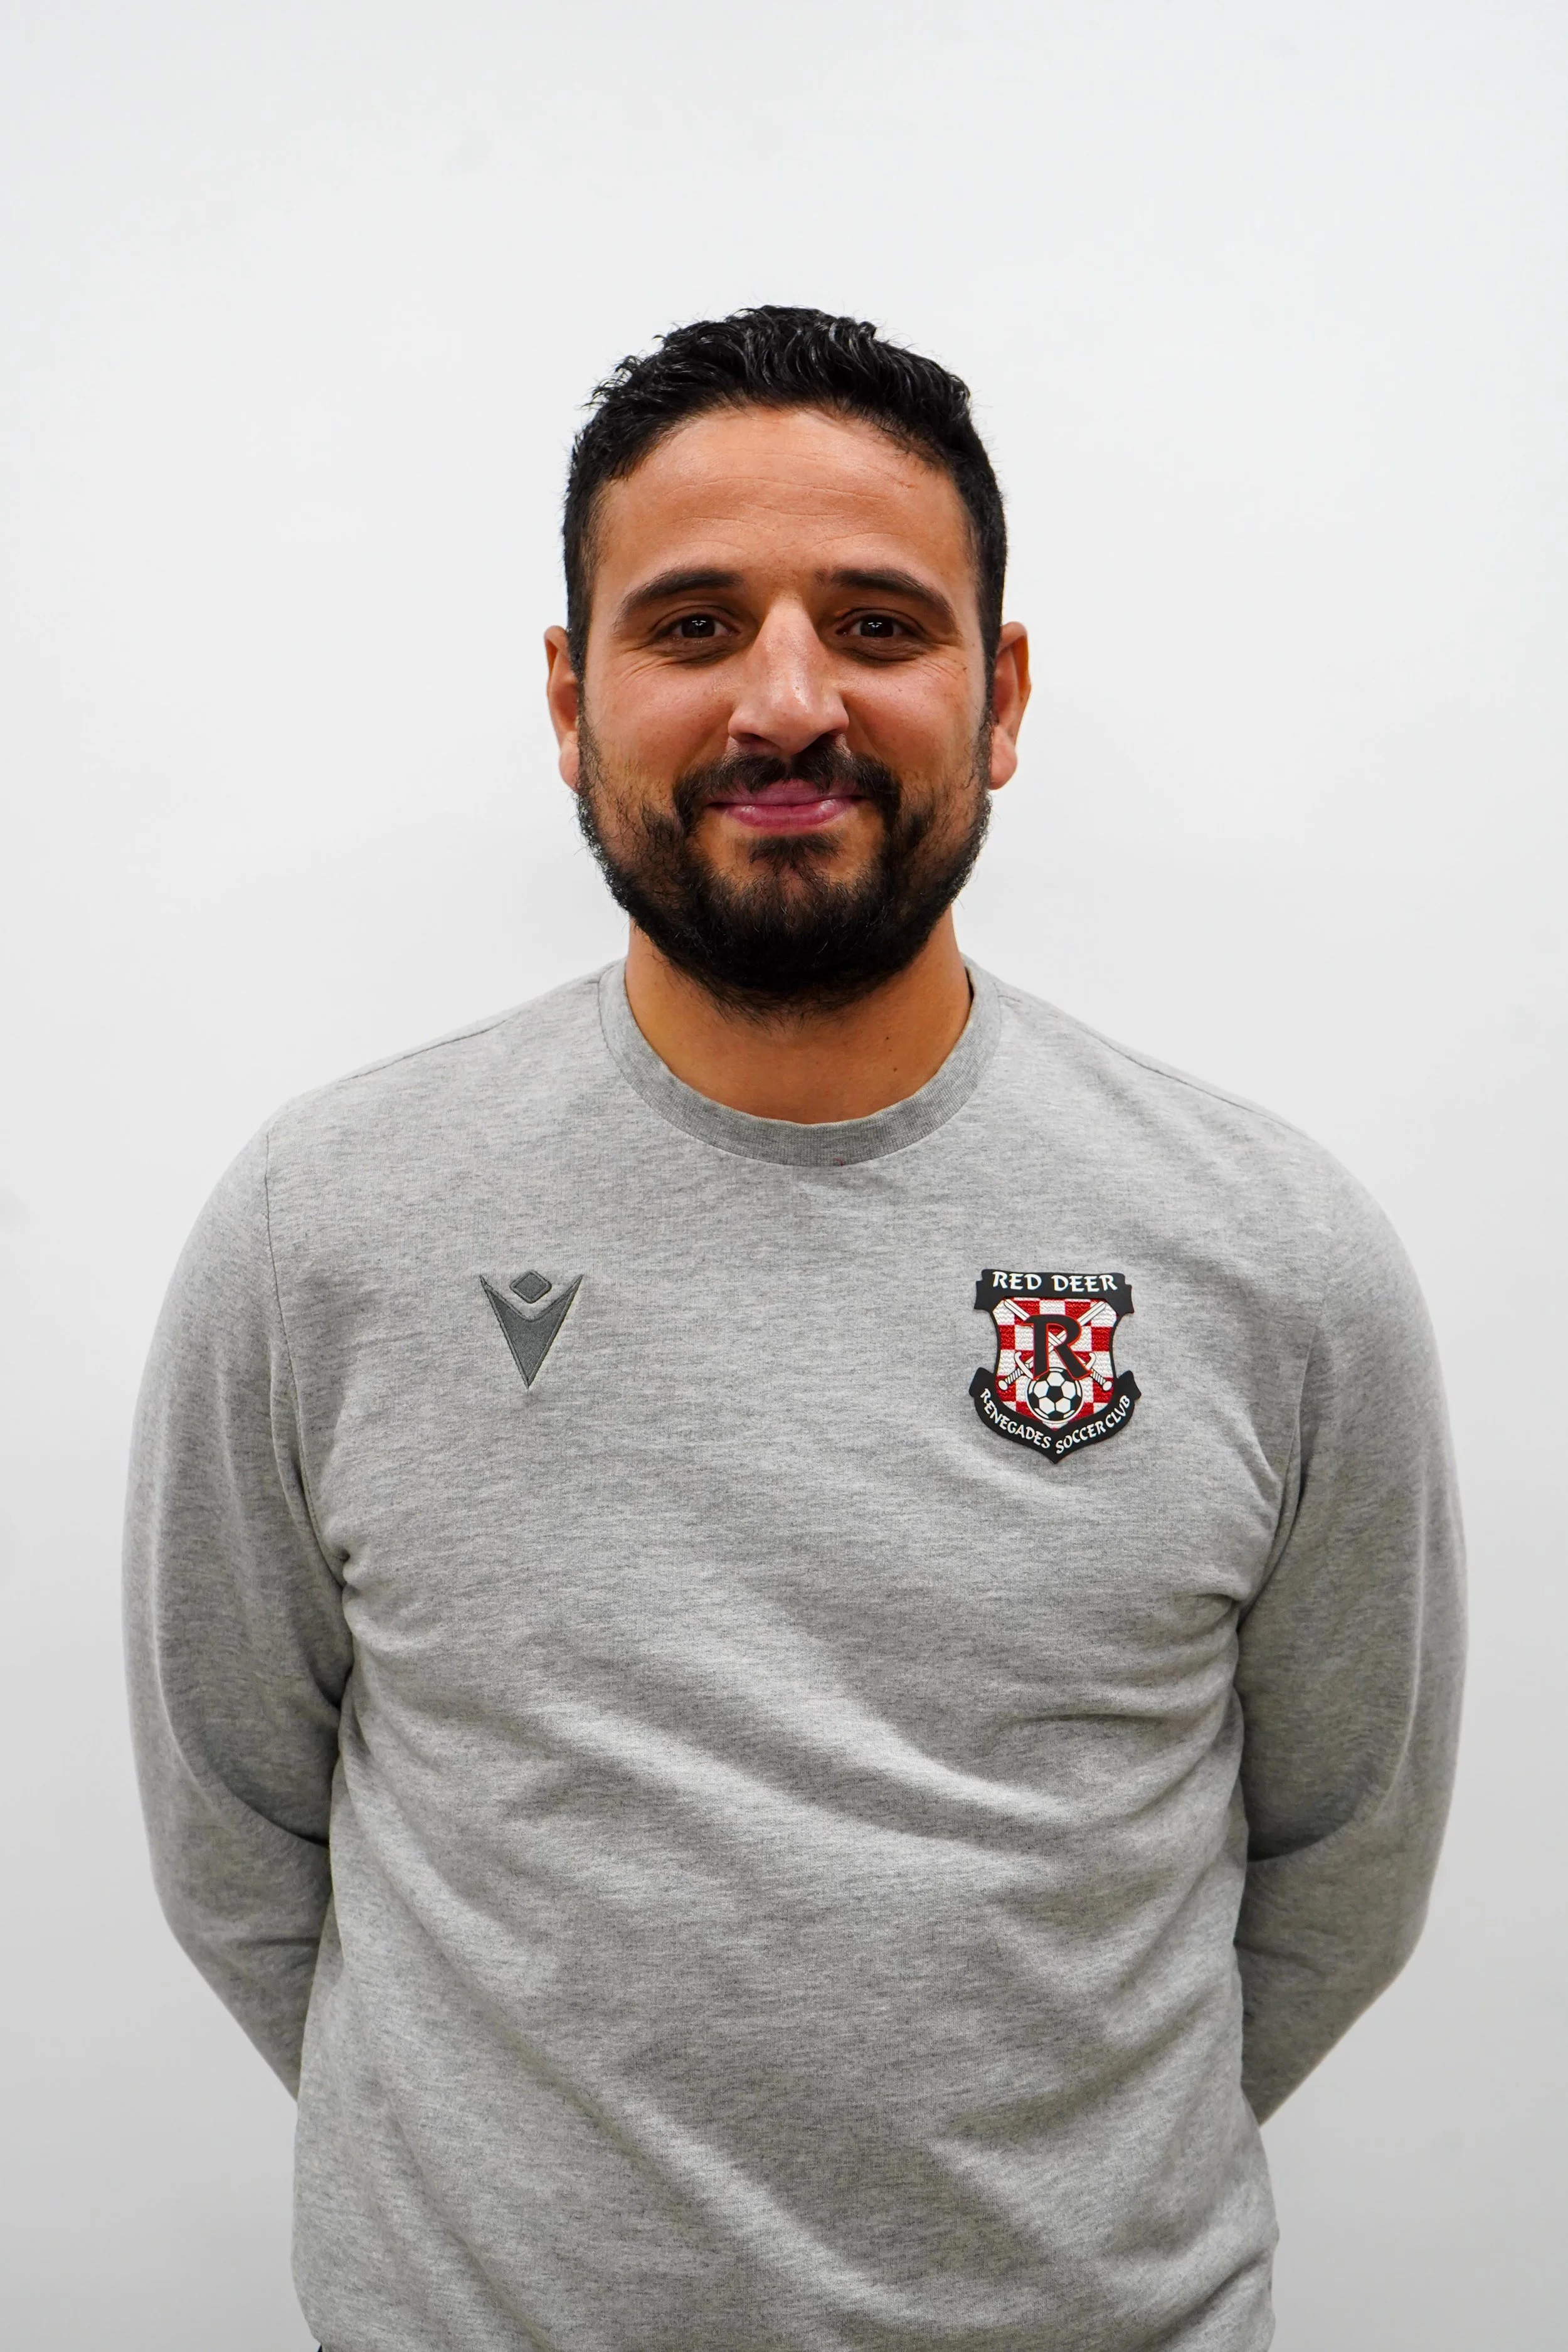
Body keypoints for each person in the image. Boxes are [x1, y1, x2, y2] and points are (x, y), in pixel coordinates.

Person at [125, 306, 1465, 2352]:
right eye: (688, 627)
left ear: (997, 695)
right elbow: (236, 1834)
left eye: (873, 622)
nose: (783, 700)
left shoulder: (1268, 1253)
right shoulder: (329, 1229)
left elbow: (1340, 1867)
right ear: (569, 700)